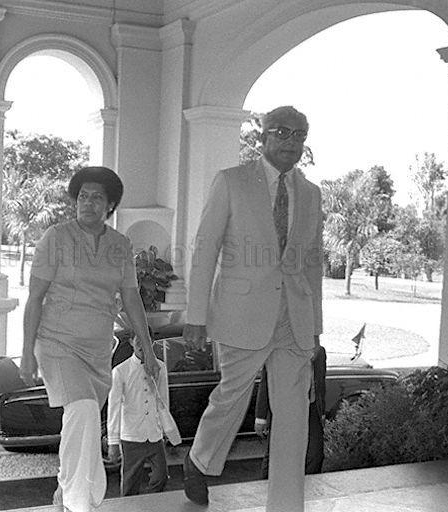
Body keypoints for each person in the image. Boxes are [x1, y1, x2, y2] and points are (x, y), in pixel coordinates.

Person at [182, 105, 323, 512]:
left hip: (293, 318)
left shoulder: (311, 193)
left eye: (298, 135)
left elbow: (312, 261)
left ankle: (285, 505)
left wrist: (314, 327)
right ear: (261, 138)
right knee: (232, 396)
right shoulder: (231, 182)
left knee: (293, 416)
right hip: (241, 312)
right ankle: (200, 459)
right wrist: (196, 316)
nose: (290, 141)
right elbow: (204, 248)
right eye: (281, 132)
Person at [20, 166, 160, 512]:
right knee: (82, 409)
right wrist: (26, 352)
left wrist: (148, 346)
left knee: (81, 419)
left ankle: (67, 487)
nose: (88, 202)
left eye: (97, 197)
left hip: (98, 349)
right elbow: (35, 297)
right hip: (55, 342)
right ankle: (78, 500)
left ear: (110, 205)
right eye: (83, 196)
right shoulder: (56, 237)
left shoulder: (121, 245)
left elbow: (131, 300)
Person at [107, 336, 170, 496]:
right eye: (138, 341)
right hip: (131, 436)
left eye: (147, 341)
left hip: (154, 434)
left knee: (161, 477)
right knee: (130, 483)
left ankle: (149, 505)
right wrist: (113, 442)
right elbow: (113, 408)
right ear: (131, 342)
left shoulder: (160, 367)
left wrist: (166, 429)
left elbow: (163, 401)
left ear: (153, 343)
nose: (142, 345)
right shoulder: (120, 371)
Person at [255, 345, 327, 477]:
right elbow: (266, 383)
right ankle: (264, 487)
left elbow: (320, 383)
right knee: (275, 455)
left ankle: (309, 486)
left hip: (310, 409)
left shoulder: (319, 351)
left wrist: (322, 412)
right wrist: (261, 418)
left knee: (315, 454)